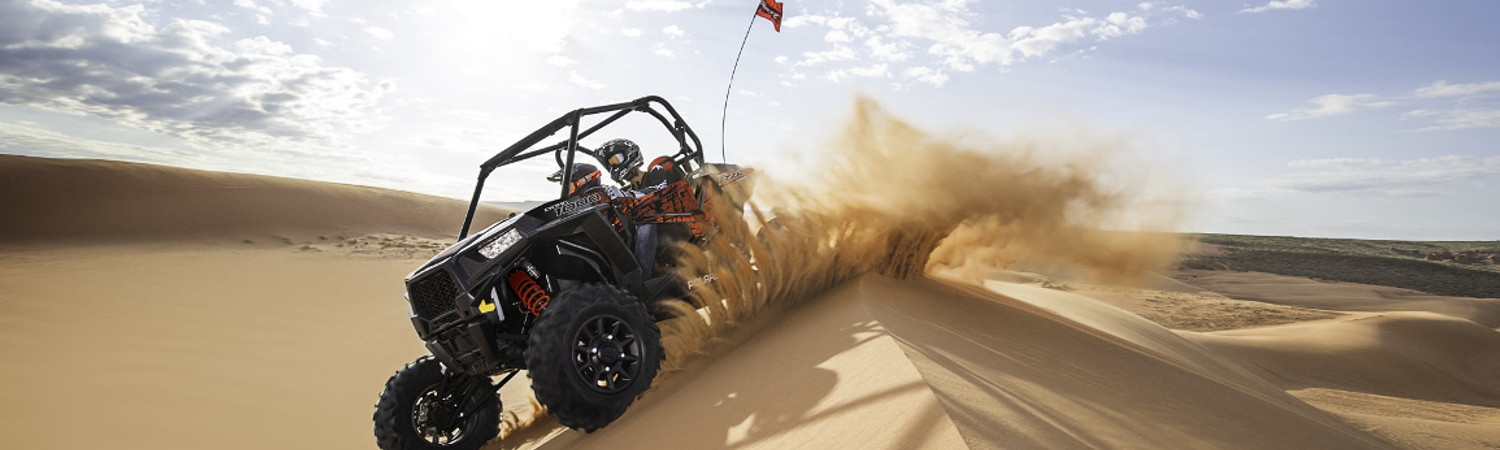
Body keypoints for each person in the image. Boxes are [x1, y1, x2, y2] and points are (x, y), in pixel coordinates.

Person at [596, 138, 692, 276]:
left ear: (630, 154)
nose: (614, 166)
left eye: (616, 159)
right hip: (657, 245)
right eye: (611, 164)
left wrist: (628, 195)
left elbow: (659, 191)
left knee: (645, 218)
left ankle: (640, 278)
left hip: (676, 228)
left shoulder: (656, 171)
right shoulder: (627, 191)